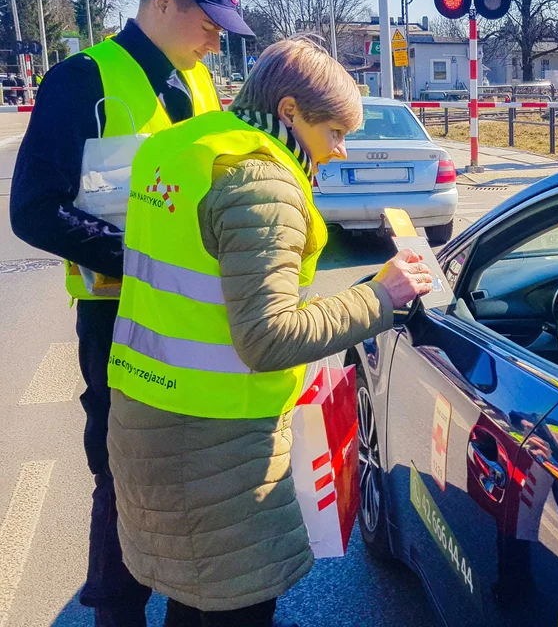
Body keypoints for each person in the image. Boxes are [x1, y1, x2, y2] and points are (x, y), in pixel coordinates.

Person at [105, 37, 433, 627]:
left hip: (145, 414)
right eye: (333, 132)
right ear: (288, 111)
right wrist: (380, 296)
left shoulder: (179, 149)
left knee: (191, 600)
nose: (338, 152)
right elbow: (268, 338)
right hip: (220, 449)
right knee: (236, 608)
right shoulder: (263, 185)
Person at [9, 0, 248, 627]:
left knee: (191, 471)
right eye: (208, 23)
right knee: (124, 475)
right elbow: (32, 208)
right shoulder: (81, 80)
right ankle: (118, 610)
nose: (215, 40)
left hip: (197, 319)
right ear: (162, 3)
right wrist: (143, 257)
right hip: (118, 319)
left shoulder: (200, 86)